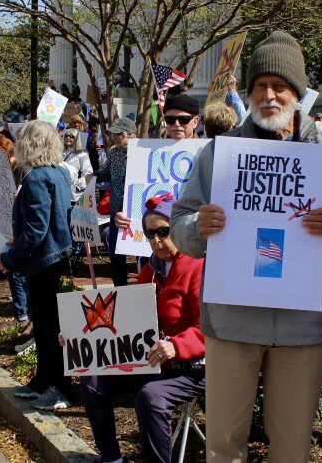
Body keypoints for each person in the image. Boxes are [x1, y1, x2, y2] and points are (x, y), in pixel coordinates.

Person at [171, 30, 322, 462]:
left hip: (301, 329)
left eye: (280, 86)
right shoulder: (219, 154)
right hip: (231, 324)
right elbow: (180, 225)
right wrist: (197, 225)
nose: (270, 95)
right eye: (261, 85)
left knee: (292, 448)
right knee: (223, 445)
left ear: (297, 94)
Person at [80, 193, 206, 463]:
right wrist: (81, 337)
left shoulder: (199, 267)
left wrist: (177, 346)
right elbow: (130, 321)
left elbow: (209, 328)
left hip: (196, 364)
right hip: (155, 358)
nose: (157, 240)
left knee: (151, 396)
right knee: (91, 380)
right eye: (150, 234)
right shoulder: (150, 270)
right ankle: (112, 459)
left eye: (165, 231)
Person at [0, 120, 74, 410]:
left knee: (48, 326)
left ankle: (58, 387)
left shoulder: (36, 178)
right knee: (46, 326)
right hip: (54, 258)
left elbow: (36, 231)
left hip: (44, 261)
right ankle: (44, 381)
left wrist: (9, 258)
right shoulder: (59, 173)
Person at [0, 133, 30, 333]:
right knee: (11, 273)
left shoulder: (20, 169)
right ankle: (20, 314)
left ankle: (23, 316)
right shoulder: (6, 170)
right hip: (6, 226)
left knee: (17, 273)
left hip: (18, 229)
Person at [95, 117, 136, 287]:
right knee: (115, 252)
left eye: (118, 134)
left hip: (135, 213)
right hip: (115, 212)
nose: (115, 138)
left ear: (130, 134)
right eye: (114, 134)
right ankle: (120, 288)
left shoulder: (141, 152)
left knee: (141, 255)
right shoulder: (113, 151)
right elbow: (106, 173)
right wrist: (94, 176)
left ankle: (145, 290)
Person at [61, 128, 94, 204]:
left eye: (71, 136)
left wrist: (77, 185)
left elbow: (88, 173)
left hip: (74, 194)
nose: (68, 138)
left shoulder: (82, 155)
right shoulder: (59, 152)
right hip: (60, 190)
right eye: (66, 136)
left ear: (76, 139)